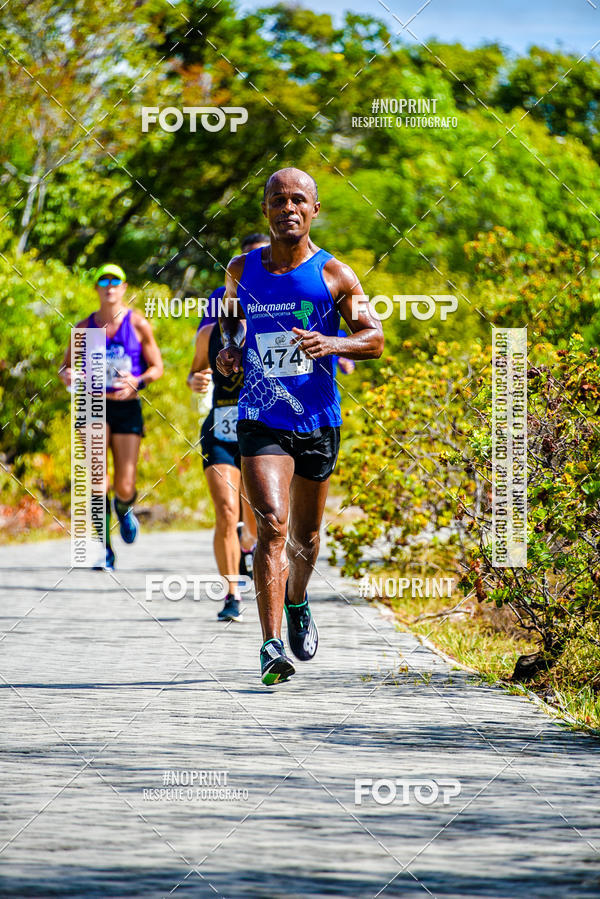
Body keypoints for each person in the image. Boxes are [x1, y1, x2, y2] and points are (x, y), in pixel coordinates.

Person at [217, 168, 384, 684]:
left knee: (306, 538)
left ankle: (297, 598)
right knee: (271, 522)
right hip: (261, 414)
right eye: (277, 200)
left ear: (313, 209)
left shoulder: (336, 274)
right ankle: (269, 647)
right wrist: (230, 350)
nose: (287, 208)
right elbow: (230, 319)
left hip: (316, 418)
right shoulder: (241, 268)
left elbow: (374, 337)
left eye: (297, 200)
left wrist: (332, 344)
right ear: (265, 211)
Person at [59, 263, 163, 570]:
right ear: (96, 288)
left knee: (125, 484)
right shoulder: (84, 328)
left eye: (115, 281)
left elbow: (157, 367)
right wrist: (68, 375)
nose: (109, 286)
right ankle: (104, 549)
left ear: (124, 287)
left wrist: (137, 382)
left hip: (125, 405)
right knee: (95, 479)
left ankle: (124, 508)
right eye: (103, 280)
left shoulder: (138, 324)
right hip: (92, 404)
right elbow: (66, 366)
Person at [187, 234, 269, 621]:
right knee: (225, 510)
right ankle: (232, 596)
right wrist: (197, 381)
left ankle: (250, 544)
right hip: (220, 428)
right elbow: (194, 375)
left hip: (262, 429)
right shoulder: (209, 333)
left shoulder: (269, 326)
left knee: (256, 516)